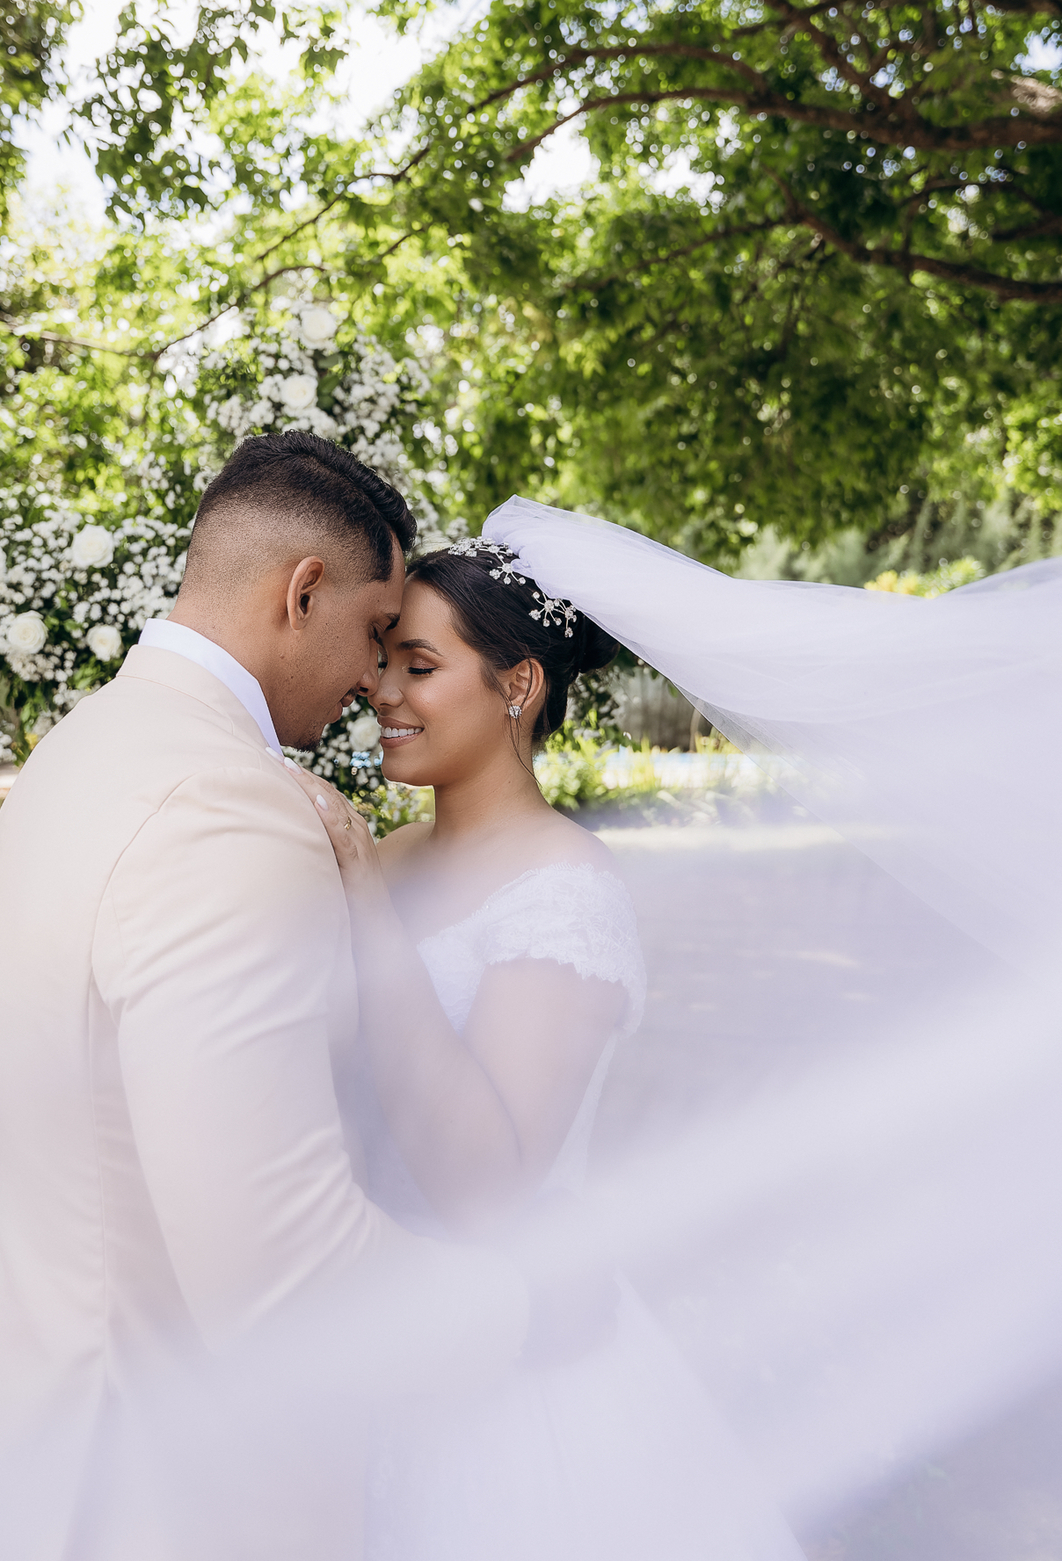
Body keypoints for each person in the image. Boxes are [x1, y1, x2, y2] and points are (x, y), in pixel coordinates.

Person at [0, 435, 526, 1561]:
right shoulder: (225, 806)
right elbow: (284, 1284)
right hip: (177, 1506)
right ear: (302, 591)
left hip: (62, 1473)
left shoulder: (84, 750)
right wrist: (522, 1308)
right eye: (375, 635)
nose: (375, 682)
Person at [291, 536, 807, 1561]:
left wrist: (362, 910)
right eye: (384, 657)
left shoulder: (564, 891)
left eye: (421, 667)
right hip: (363, 1342)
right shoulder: (380, 857)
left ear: (518, 685)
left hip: (514, 1374)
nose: (382, 691)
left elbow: (484, 1184)